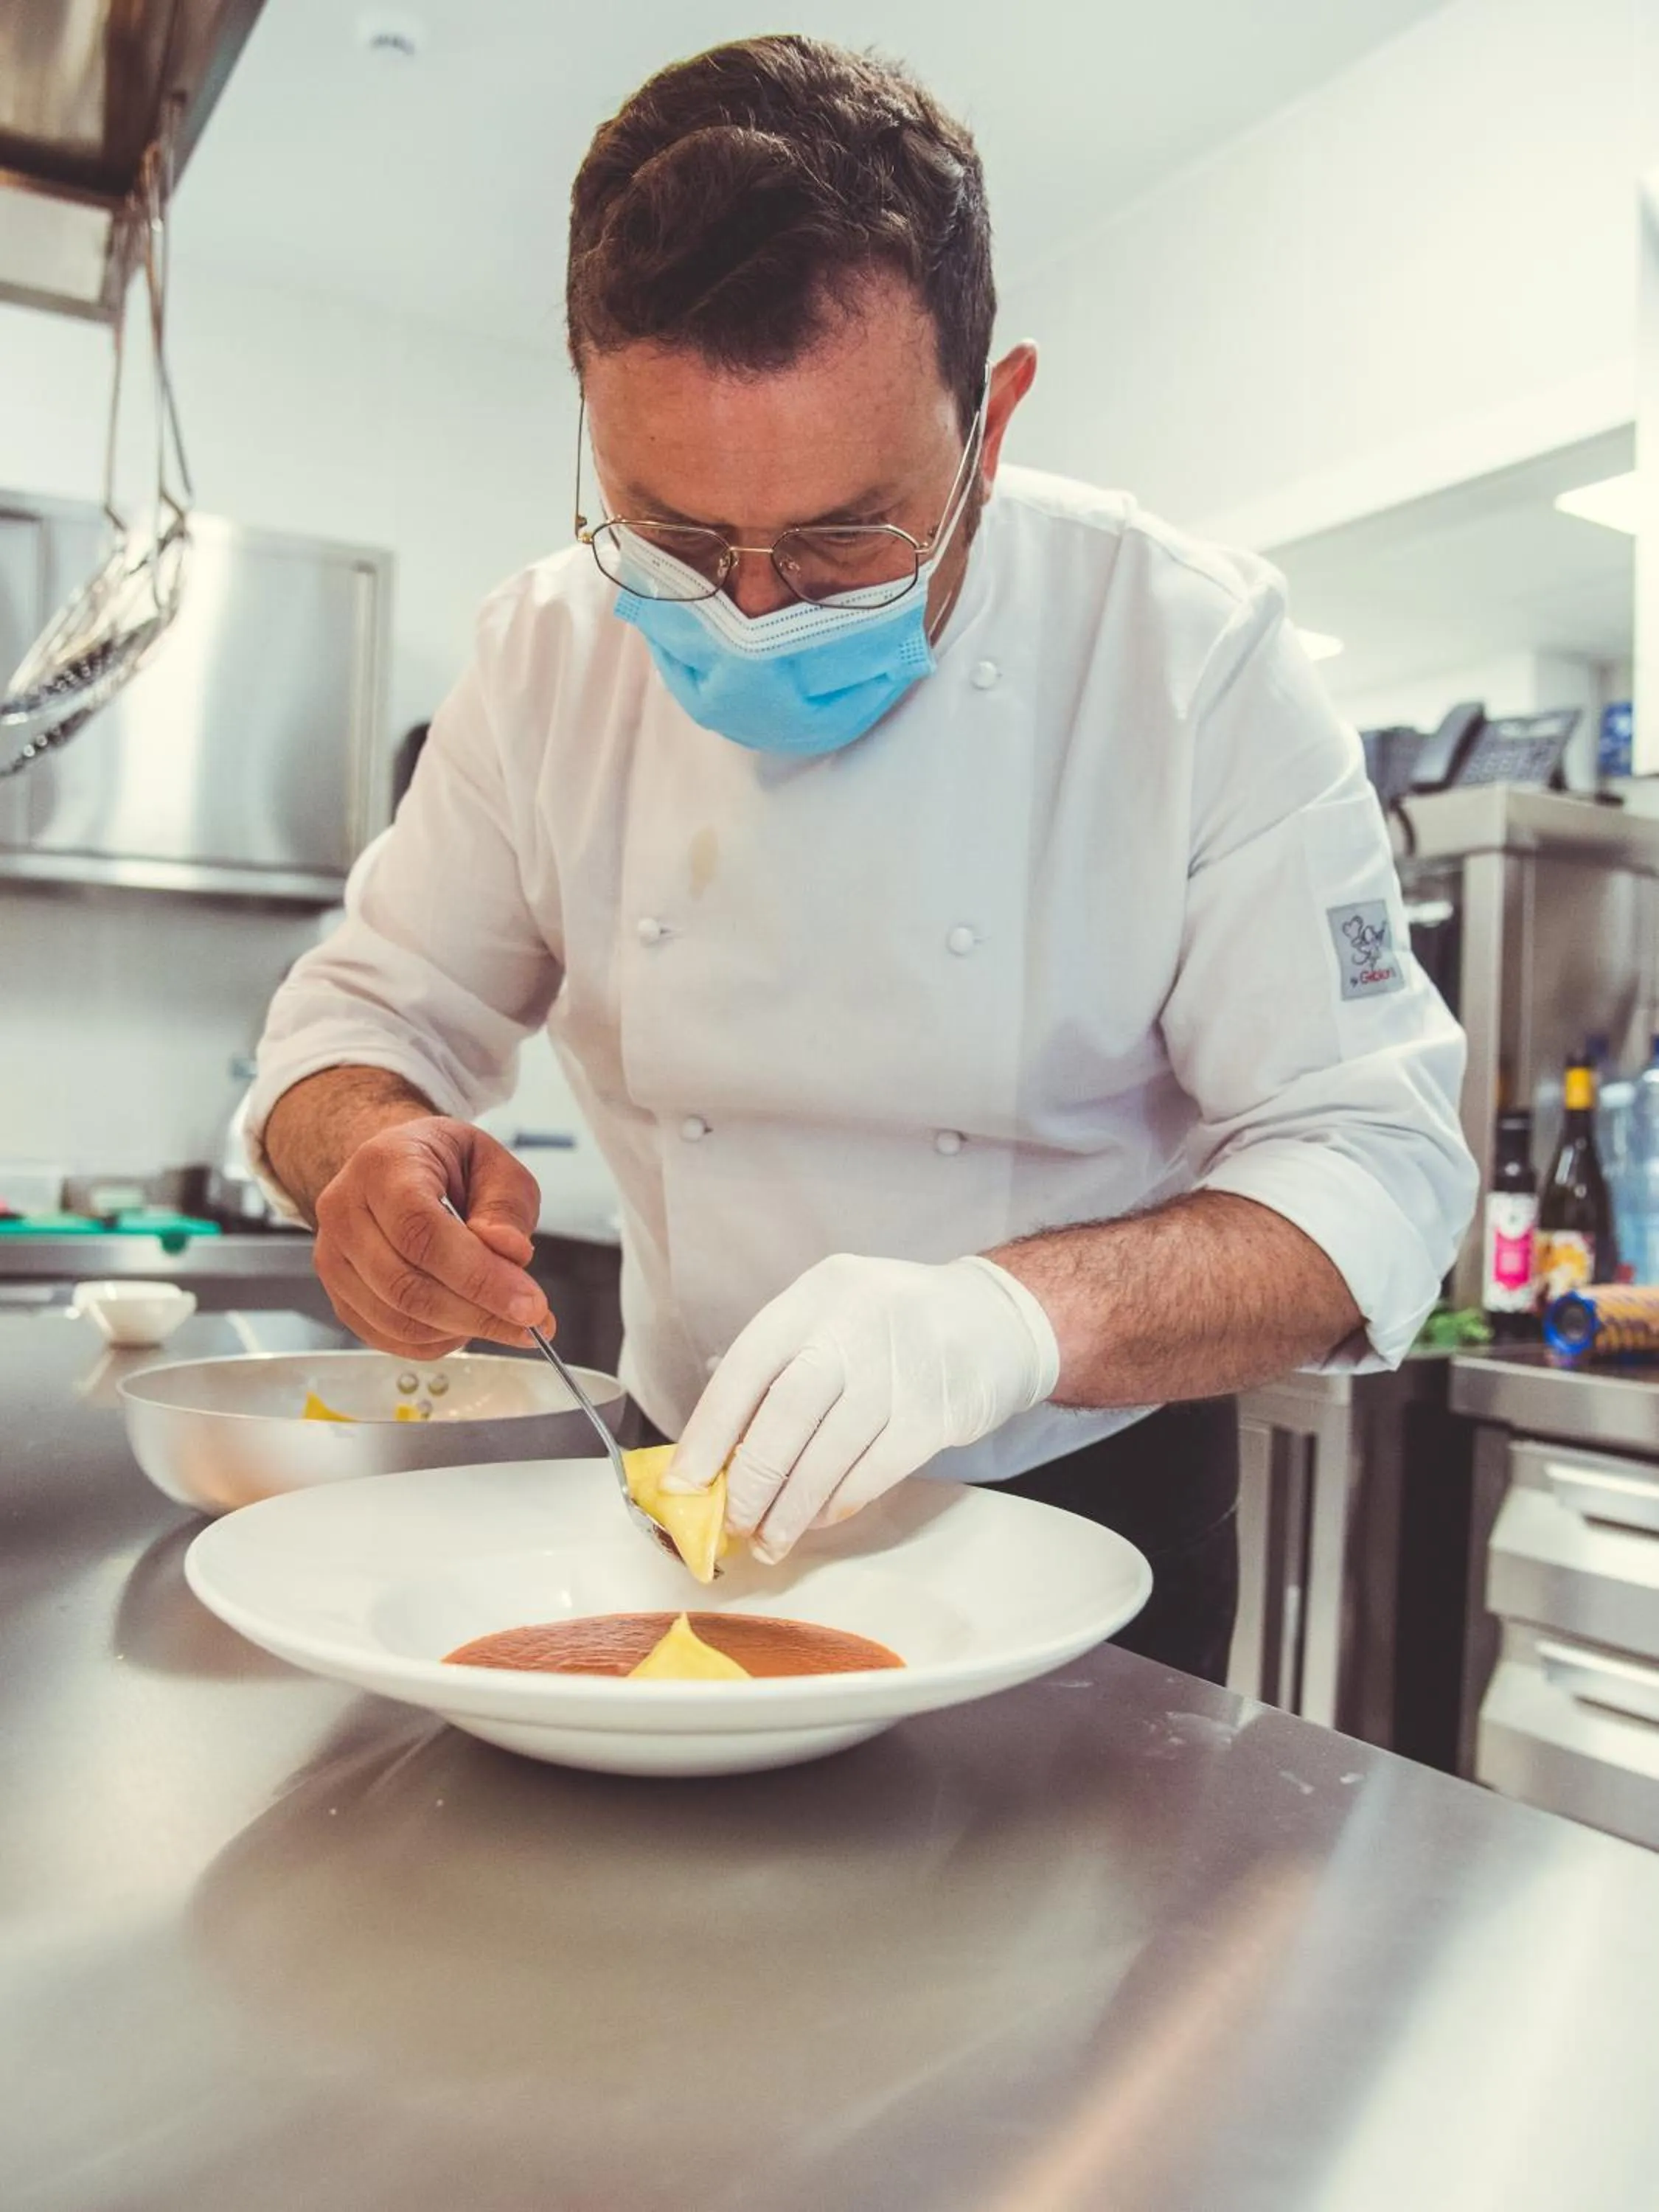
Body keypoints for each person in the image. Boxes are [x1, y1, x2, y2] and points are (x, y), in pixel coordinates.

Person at [249, 35, 1475, 1684]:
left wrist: (1013, 1319)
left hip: (1090, 1526)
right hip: (675, 1505)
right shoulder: (545, 655)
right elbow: (348, 1036)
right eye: (673, 536)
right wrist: (366, 1164)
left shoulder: (1185, 655)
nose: (752, 609)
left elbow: (1377, 1170)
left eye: (846, 537)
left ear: (996, 418)